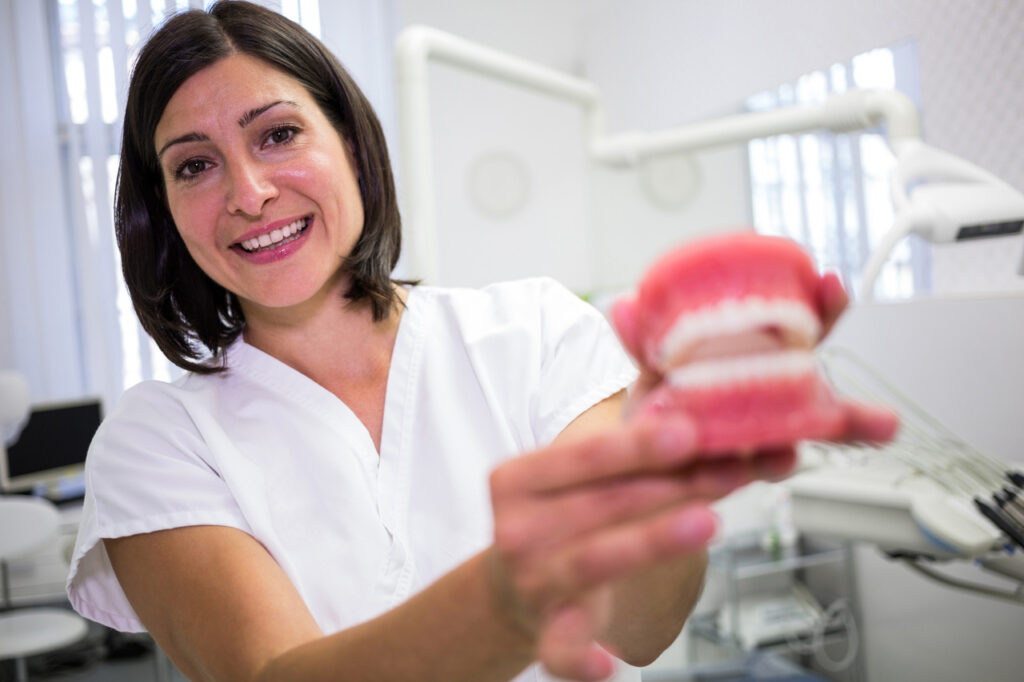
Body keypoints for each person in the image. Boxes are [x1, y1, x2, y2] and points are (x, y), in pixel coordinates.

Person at [65, 3, 897, 681]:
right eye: (194, 165)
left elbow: (641, 631)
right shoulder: (157, 444)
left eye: (278, 134)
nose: (248, 192)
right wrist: (517, 591)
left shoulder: (532, 332)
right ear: (163, 212)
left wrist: (660, 484)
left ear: (351, 145)